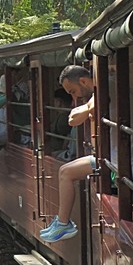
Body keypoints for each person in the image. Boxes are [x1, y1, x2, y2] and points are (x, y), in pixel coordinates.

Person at [40, 65, 96, 243]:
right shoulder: (94, 96)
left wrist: (85, 109)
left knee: (66, 172)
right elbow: (73, 118)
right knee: (65, 170)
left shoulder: (103, 90)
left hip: (124, 159)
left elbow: (75, 118)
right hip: (108, 155)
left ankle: (64, 223)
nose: (74, 97)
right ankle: (62, 222)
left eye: (73, 91)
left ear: (83, 81)